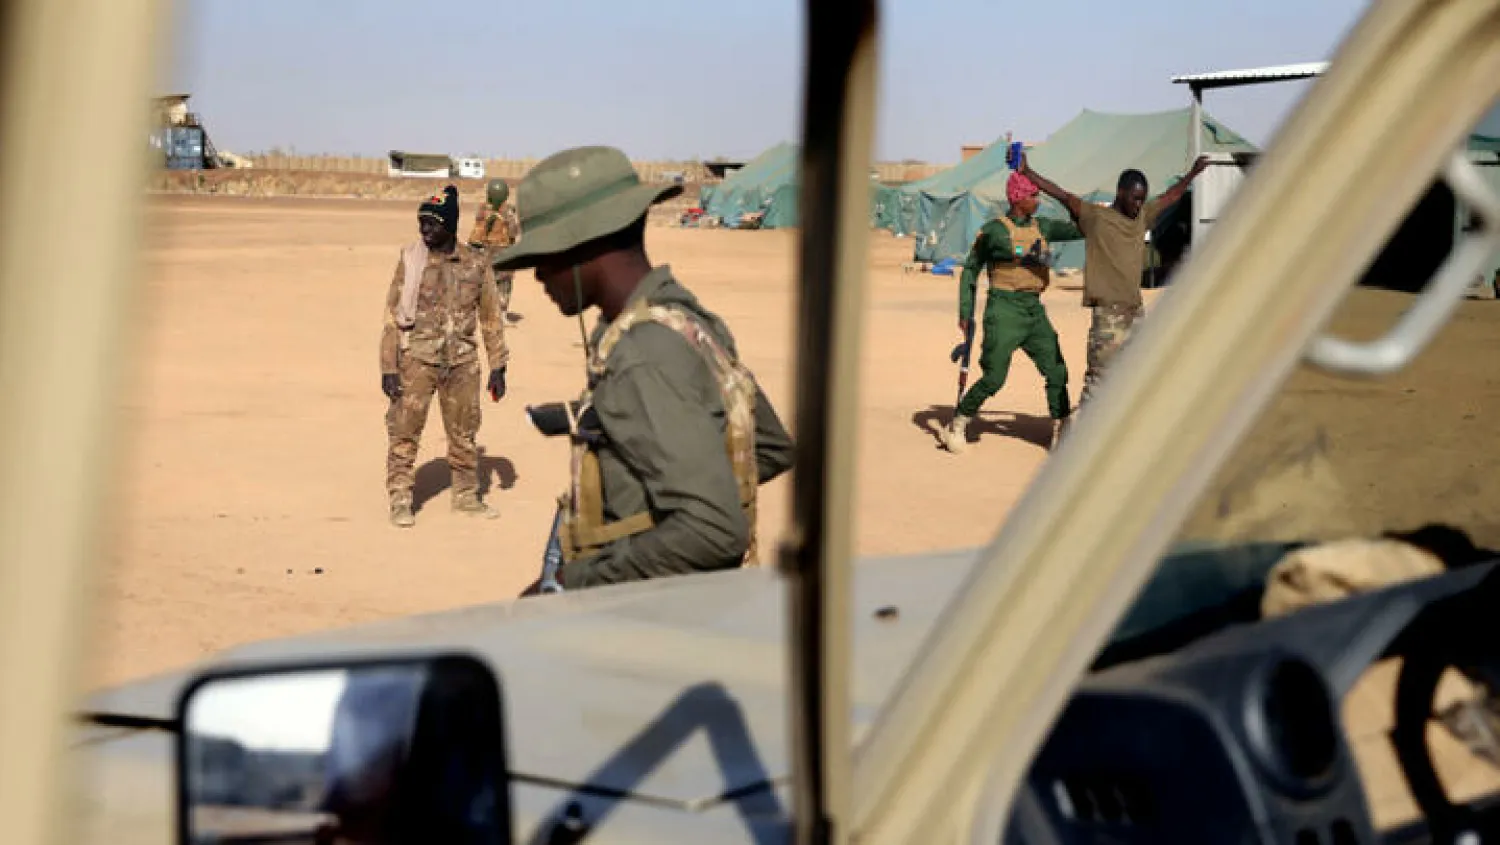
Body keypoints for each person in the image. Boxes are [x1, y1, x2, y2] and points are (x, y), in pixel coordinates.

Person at [490, 145, 795, 590]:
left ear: (582, 247)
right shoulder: (684, 321)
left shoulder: (642, 355)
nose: (537, 278)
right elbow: (765, 447)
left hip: (650, 617)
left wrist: (576, 580)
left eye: (544, 259)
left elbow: (713, 529)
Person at [1020, 153, 1209, 409]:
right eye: (1134, 198)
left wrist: (1193, 173)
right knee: (1098, 382)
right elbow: (1063, 195)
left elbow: (1170, 197)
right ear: (1121, 193)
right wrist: (1028, 172)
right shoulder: (1096, 218)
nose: (1138, 204)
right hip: (1108, 316)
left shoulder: (1142, 216)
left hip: (1135, 312)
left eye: (1142, 198)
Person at [379, 186, 509, 528]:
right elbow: (392, 316)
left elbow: (491, 317)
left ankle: (466, 497)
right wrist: (388, 367)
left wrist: (498, 365)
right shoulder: (411, 260)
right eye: (421, 224)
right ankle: (401, 498)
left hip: (463, 364)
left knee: (464, 433)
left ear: (449, 227)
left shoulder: (476, 264)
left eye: (431, 225)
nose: (424, 231)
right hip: (417, 360)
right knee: (404, 431)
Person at [941, 171, 1083, 454]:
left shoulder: (1043, 226)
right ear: (1018, 199)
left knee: (1056, 370)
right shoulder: (993, 231)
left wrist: (1075, 205)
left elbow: (1081, 229)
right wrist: (965, 313)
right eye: (1033, 195)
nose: (1038, 200)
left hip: (1034, 310)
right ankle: (958, 423)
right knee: (994, 378)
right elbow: (971, 269)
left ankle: (1061, 425)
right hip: (1004, 310)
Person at [466, 179, 523, 324]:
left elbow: (477, 232)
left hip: (483, 251)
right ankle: (502, 314)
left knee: (481, 282)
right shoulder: (507, 211)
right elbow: (513, 232)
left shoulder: (483, 209)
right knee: (504, 283)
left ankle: (479, 312)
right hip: (503, 252)